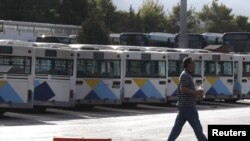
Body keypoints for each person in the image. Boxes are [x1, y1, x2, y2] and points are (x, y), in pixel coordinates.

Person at [168, 57, 207, 141]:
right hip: (188, 107)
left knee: (177, 129)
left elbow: (186, 90)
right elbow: (183, 89)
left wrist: (197, 94)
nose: (195, 66)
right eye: (193, 64)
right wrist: (196, 92)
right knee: (197, 128)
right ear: (188, 64)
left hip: (184, 106)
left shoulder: (187, 75)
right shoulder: (185, 75)